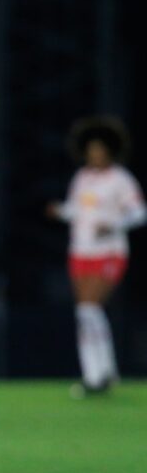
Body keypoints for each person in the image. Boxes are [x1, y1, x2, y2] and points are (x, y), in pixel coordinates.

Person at [47, 116, 145, 396]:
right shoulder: (82, 178)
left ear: (110, 151)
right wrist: (61, 211)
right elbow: (77, 210)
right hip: (81, 250)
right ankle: (98, 372)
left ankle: (100, 375)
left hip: (110, 252)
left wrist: (114, 225)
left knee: (90, 308)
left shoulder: (121, 179)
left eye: (100, 149)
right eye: (91, 149)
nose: (95, 154)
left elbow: (139, 213)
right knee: (85, 313)